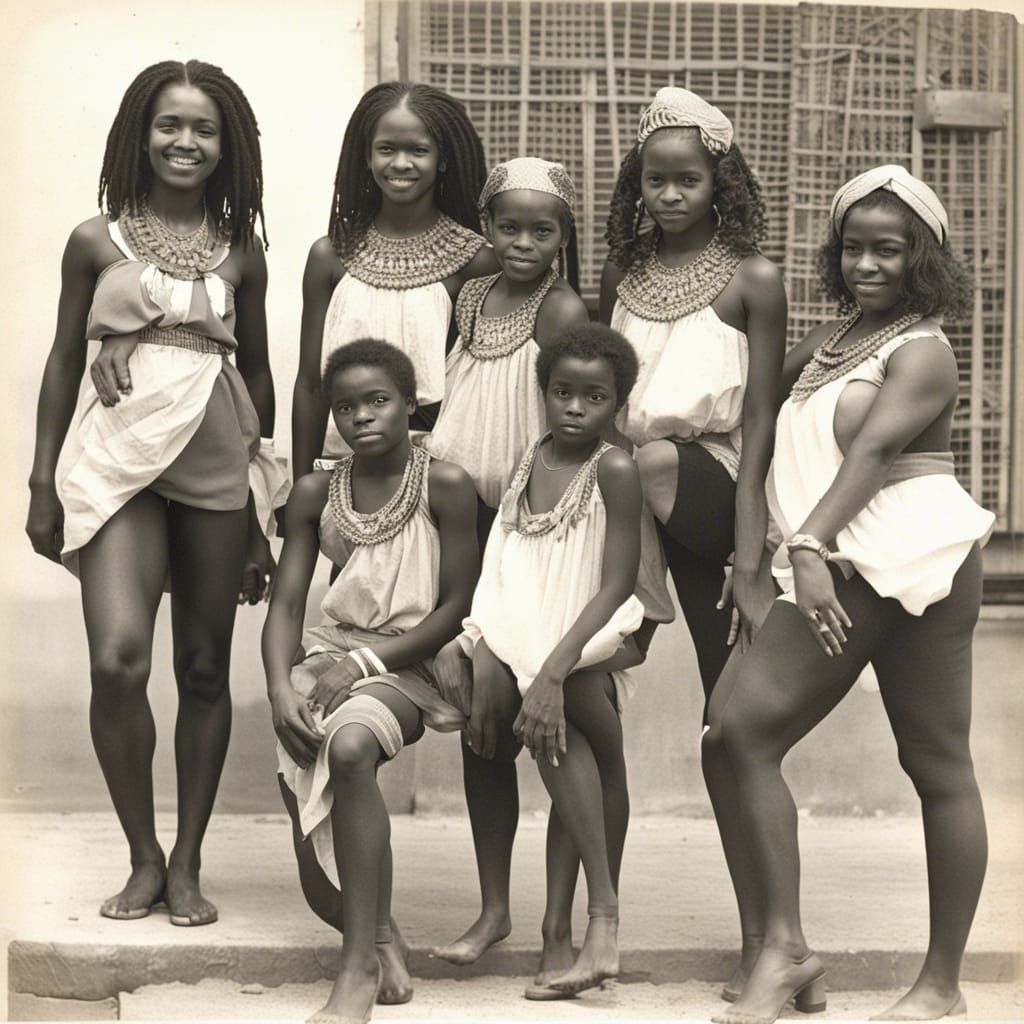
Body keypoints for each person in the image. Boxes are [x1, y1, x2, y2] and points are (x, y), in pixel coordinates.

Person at [703, 166, 994, 1024]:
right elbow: (739, 394)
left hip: (905, 555)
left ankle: (938, 983)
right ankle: (786, 951)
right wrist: (757, 545)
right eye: (853, 247)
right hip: (833, 554)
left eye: (889, 250)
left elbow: (869, 457)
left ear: (924, 259)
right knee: (733, 733)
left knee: (932, 764)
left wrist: (805, 545)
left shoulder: (923, 350)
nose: (867, 264)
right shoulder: (832, 343)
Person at [25, 59, 286, 927]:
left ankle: (187, 862)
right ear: (140, 134)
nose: (186, 141)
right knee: (118, 660)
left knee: (204, 669)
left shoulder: (242, 251)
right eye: (170, 125)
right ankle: (140, 854)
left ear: (228, 146)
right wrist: (41, 478)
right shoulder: (95, 239)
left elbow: (260, 376)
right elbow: (65, 360)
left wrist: (259, 509)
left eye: (204, 128)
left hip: (214, 460)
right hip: (115, 459)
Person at [600, 87, 786, 993]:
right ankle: (768, 942)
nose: (670, 195)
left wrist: (751, 561)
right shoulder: (621, 280)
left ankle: (646, 609)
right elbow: (602, 414)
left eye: (688, 179)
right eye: (656, 181)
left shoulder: (751, 277)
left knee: (658, 455)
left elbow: (759, 430)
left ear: (720, 180)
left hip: (712, 492)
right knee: (724, 731)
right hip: (645, 504)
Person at [264, 339, 479, 1023]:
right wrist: (277, 689)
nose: (362, 416)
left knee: (349, 747)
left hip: (414, 661)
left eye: (378, 401)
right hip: (332, 654)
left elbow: (454, 608)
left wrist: (363, 665)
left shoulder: (445, 483)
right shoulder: (313, 492)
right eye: (346, 406)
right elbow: (287, 606)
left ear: (410, 403)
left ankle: (355, 969)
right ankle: (377, 933)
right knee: (310, 810)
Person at [438, 324, 645, 997]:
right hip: (523, 633)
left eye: (595, 396)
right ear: (544, 393)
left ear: (617, 404)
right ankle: (561, 933)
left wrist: (555, 668)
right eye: (562, 392)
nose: (576, 408)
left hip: (581, 638)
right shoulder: (531, 458)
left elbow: (616, 583)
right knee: (563, 749)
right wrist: (480, 641)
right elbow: (505, 560)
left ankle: (602, 920)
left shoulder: (613, 467)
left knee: (565, 738)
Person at [291, 81, 496, 479]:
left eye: (418, 150)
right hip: (343, 464)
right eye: (387, 149)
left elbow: (476, 392)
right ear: (366, 157)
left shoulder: (476, 261)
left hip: (437, 471)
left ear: (442, 159)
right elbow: (311, 386)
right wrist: (300, 487)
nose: (401, 163)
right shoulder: (329, 256)